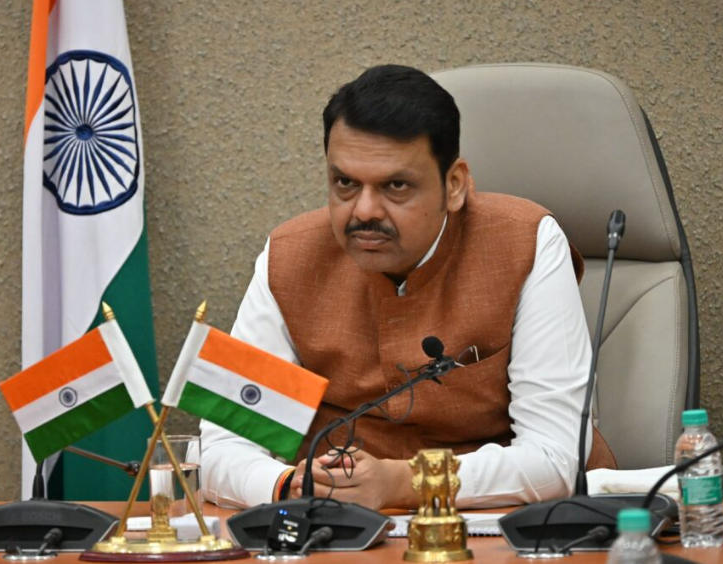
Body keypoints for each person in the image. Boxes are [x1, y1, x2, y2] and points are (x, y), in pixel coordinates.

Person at [200, 64, 616, 511]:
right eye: (345, 183)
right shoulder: (288, 256)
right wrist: (291, 486)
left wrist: (406, 482)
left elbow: (557, 456)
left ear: (453, 185)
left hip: (506, 525)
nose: (364, 211)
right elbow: (221, 449)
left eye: (395, 186)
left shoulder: (527, 241)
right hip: (341, 528)